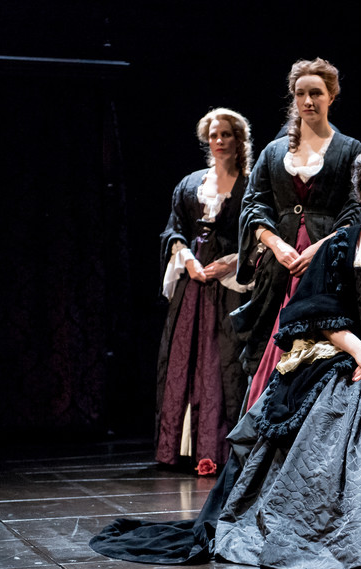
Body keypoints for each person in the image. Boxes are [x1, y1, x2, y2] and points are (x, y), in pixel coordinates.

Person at [90, 143, 361, 569]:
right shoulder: (340, 245)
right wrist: (360, 350)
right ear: (359, 194)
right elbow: (316, 311)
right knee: (299, 418)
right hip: (349, 354)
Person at [232, 58, 361, 411]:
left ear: (331, 96)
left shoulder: (351, 150)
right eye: (301, 93)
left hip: (328, 263)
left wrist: (321, 247)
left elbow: (357, 209)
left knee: (322, 341)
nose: (308, 101)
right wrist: (276, 245)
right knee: (271, 342)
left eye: (316, 93)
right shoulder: (274, 152)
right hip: (280, 266)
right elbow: (253, 205)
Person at [155, 108, 253, 475]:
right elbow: (174, 229)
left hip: (229, 286)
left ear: (238, 139)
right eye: (213, 135)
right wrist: (187, 258)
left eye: (226, 134)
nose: (219, 141)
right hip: (193, 285)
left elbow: (259, 233)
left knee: (220, 360)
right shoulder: (190, 184)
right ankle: (178, 448)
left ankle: (217, 448)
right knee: (184, 357)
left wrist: (231, 262)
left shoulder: (250, 185)